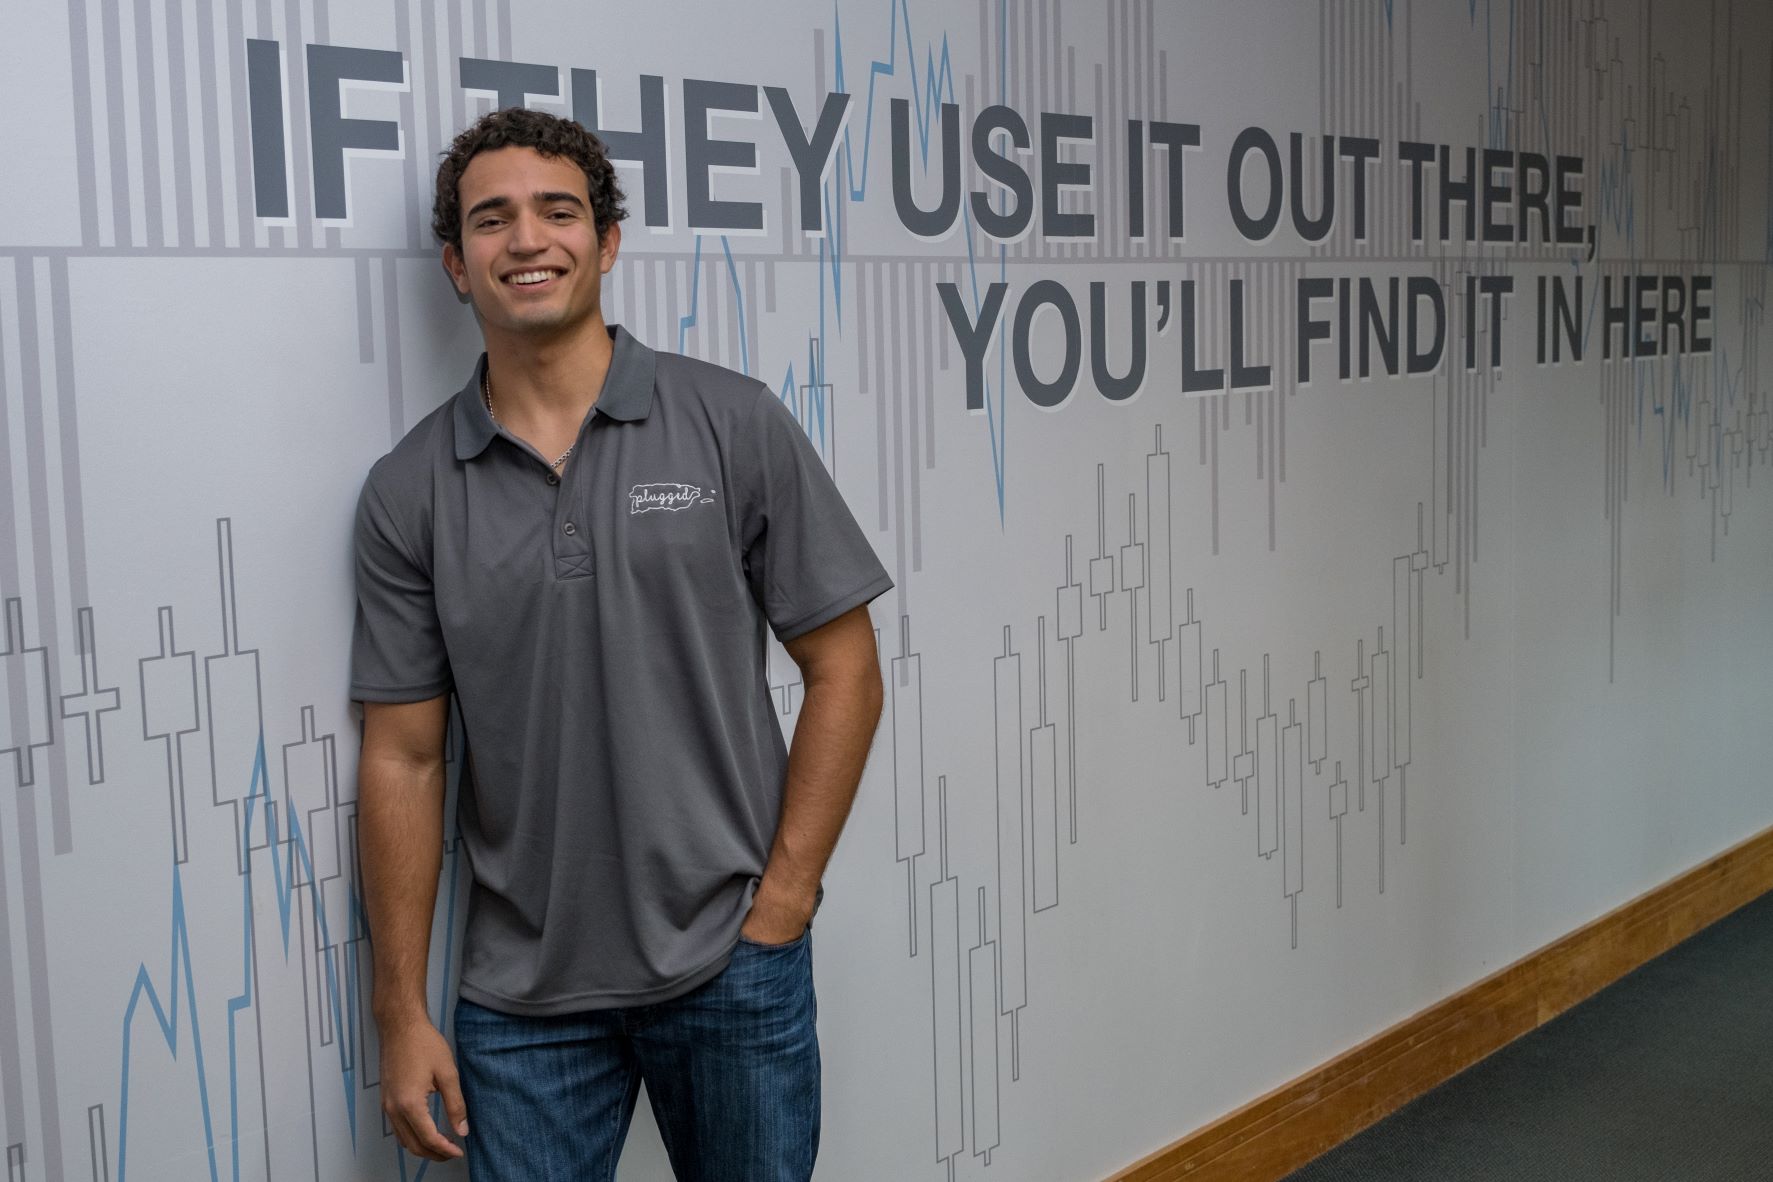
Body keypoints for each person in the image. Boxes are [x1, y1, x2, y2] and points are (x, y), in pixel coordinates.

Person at [351, 107, 890, 1181]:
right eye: (492, 221)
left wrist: (784, 902)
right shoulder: (408, 490)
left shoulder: (731, 423)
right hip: (520, 998)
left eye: (559, 211)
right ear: (458, 266)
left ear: (607, 241)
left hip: (731, 963)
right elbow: (404, 757)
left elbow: (846, 668)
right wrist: (401, 1014)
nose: (529, 240)